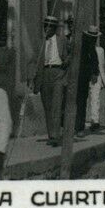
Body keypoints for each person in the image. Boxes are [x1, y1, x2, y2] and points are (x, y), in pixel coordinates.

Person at [33, 14, 68, 145]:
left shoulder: (62, 40)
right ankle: (51, 135)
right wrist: (33, 78)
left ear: (54, 28)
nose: (45, 29)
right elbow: (34, 61)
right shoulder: (40, 42)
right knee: (47, 105)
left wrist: (66, 63)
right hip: (45, 73)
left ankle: (56, 136)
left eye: (48, 27)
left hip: (58, 72)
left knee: (57, 105)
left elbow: (70, 55)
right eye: (44, 26)